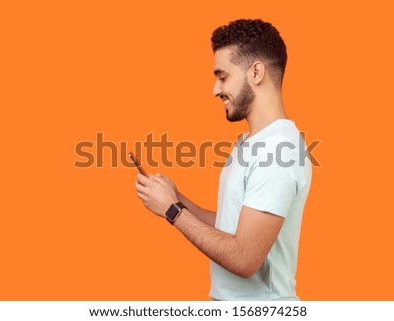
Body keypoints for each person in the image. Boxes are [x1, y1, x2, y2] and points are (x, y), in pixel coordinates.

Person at [134, 19, 312, 300]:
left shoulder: (279, 150)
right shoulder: (252, 144)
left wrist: (172, 211)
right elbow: (232, 226)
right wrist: (175, 197)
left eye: (223, 76)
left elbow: (244, 259)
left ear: (256, 72)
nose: (215, 90)